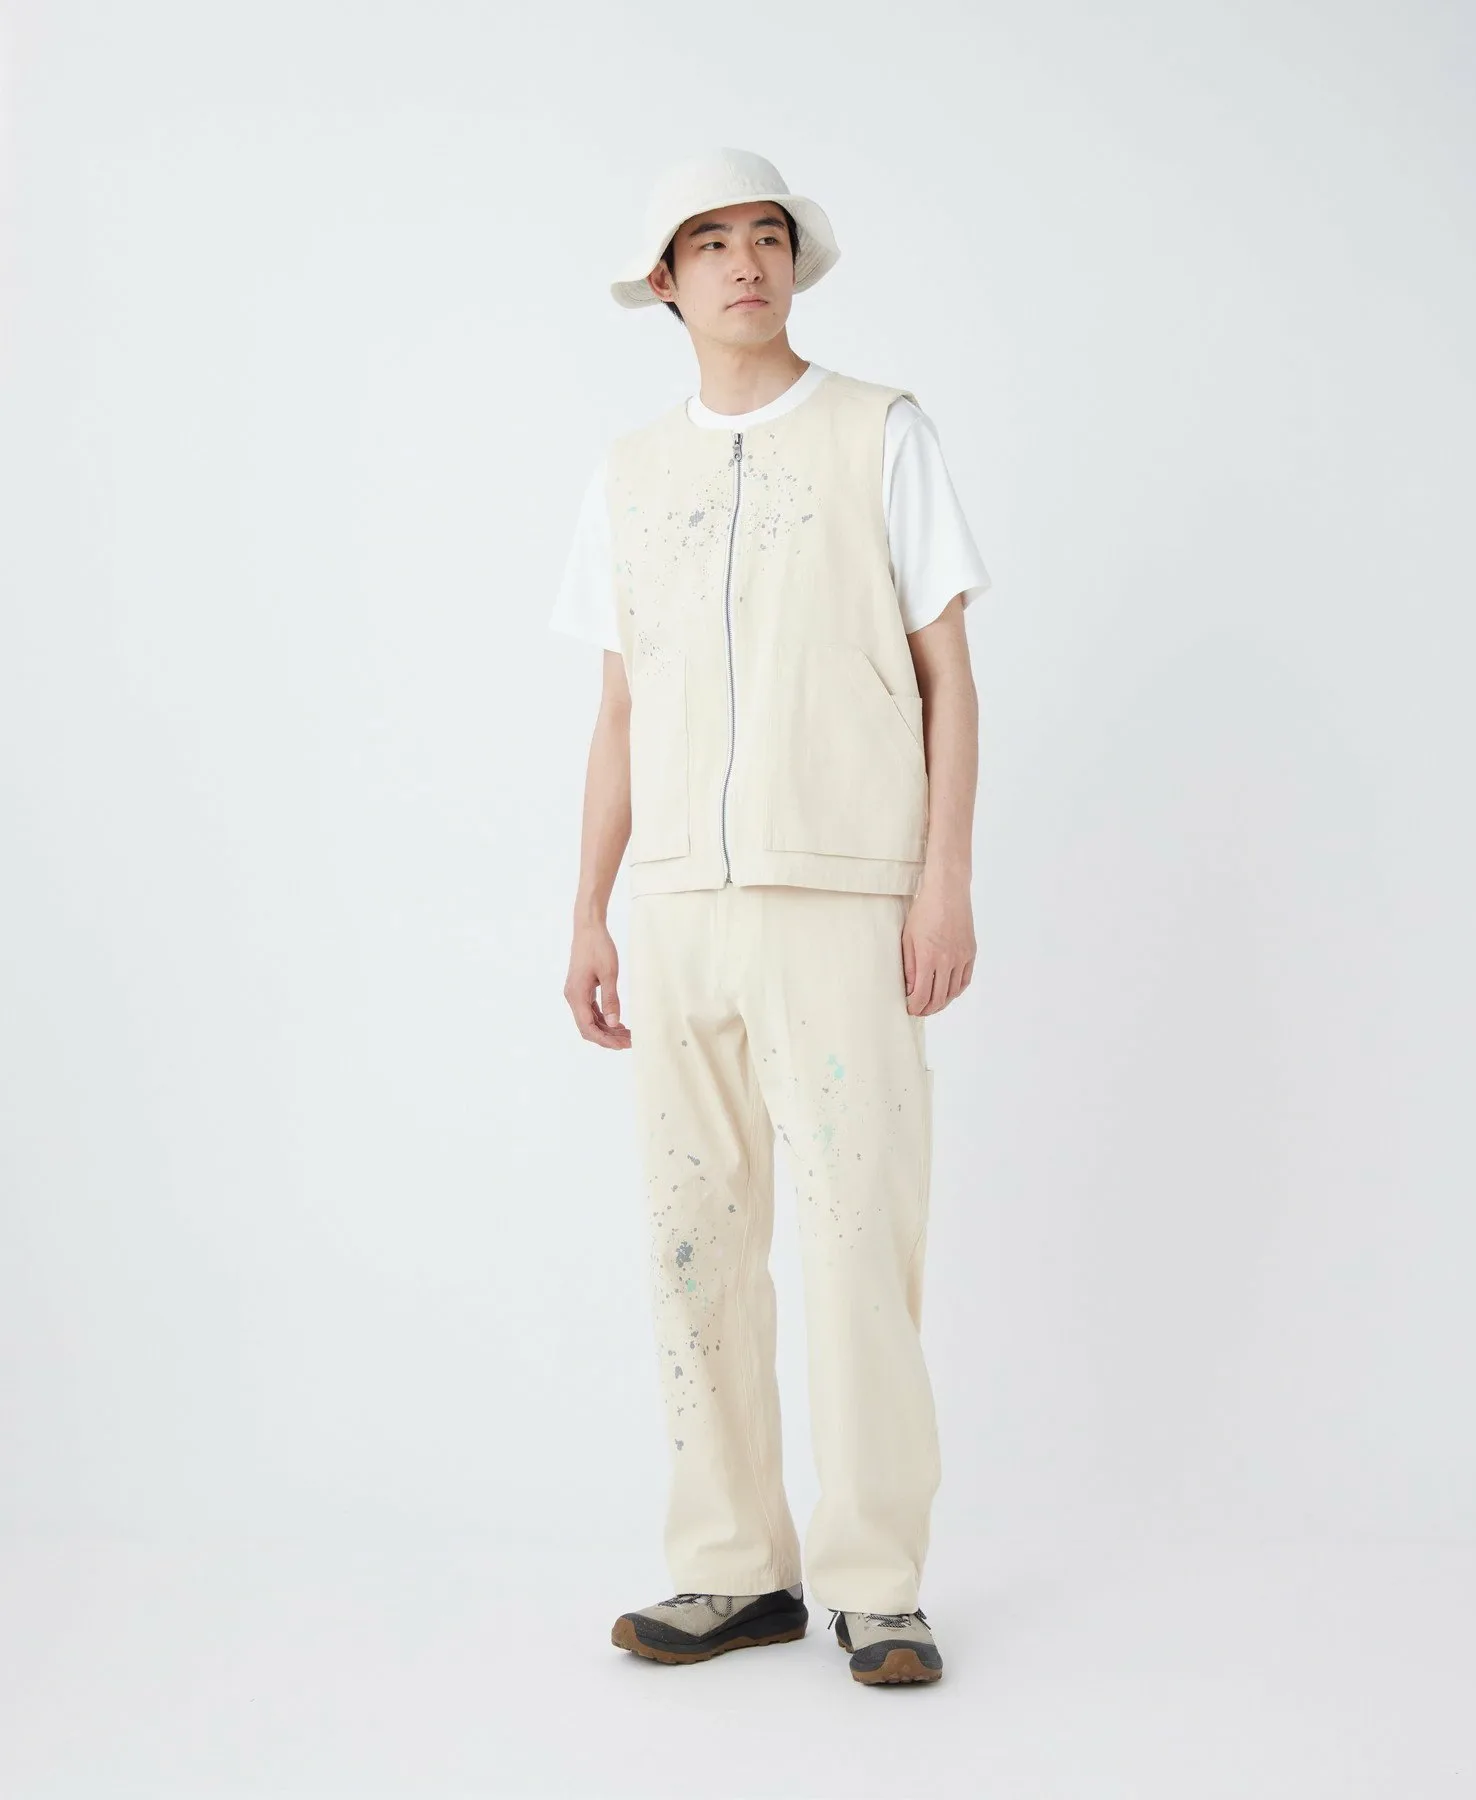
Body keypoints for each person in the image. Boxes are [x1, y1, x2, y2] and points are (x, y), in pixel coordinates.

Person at [550, 146, 987, 1687]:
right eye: (711, 242)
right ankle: (734, 1569)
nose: (747, 261)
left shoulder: (880, 434)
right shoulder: (627, 475)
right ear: (664, 283)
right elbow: (620, 709)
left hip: (842, 897)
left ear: (794, 264)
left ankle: (878, 1582)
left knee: (861, 1240)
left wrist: (943, 877)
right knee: (695, 1242)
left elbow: (948, 678)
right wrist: (589, 912)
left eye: (768, 236)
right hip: (677, 907)